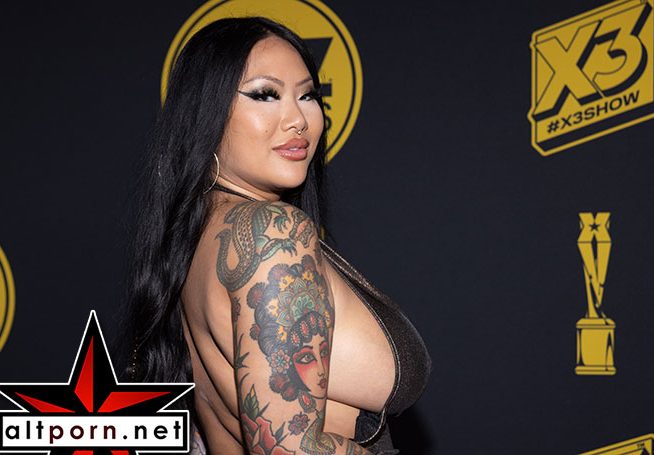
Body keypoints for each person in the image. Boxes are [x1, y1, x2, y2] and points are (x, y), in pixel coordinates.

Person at [122, 17, 430, 454]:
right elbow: (288, 448)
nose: (298, 119)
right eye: (265, 94)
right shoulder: (270, 233)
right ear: (207, 113)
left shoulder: (196, 239)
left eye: (307, 95)